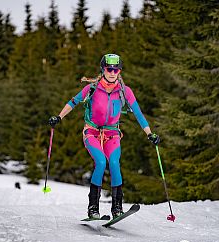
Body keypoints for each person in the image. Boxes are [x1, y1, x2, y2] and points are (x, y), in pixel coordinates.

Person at [48, 54, 160, 219]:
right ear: (103, 69)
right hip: (91, 131)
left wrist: (150, 134)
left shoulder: (125, 91)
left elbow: (138, 114)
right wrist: (58, 117)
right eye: (110, 69)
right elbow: (73, 101)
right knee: (100, 162)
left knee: (114, 163)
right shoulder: (92, 88)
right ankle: (93, 208)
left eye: (117, 69)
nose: (113, 72)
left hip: (112, 133)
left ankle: (117, 208)